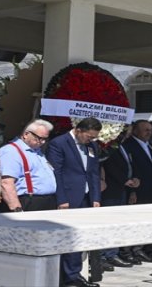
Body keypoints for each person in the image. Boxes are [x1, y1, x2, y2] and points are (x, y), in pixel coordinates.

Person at [46, 117, 103, 287]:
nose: (91, 140)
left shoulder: (91, 146)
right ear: (78, 130)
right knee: (67, 237)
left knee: (79, 237)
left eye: (94, 137)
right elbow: (56, 172)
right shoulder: (59, 143)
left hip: (86, 197)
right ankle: (66, 277)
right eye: (89, 136)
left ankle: (74, 275)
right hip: (68, 197)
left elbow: (93, 173)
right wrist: (61, 199)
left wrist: (95, 198)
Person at [99, 126, 138, 269]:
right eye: (121, 132)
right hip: (110, 190)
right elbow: (109, 166)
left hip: (122, 190)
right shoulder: (107, 147)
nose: (124, 134)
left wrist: (133, 179)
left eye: (126, 131)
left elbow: (129, 165)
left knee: (117, 224)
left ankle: (112, 253)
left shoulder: (123, 146)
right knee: (108, 224)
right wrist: (123, 180)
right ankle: (103, 255)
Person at [0, 119, 57, 213]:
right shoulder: (11, 151)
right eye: (39, 138)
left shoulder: (37, 151)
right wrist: (17, 209)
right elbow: (6, 183)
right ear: (26, 134)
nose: (42, 142)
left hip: (47, 202)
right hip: (28, 202)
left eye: (45, 139)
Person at [121, 120, 152, 262]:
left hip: (150, 190)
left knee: (147, 221)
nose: (149, 132)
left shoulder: (151, 146)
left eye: (150, 130)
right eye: (145, 130)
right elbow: (131, 169)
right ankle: (129, 250)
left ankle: (141, 249)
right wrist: (132, 191)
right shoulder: (128, 146)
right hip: (136, 191)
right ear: (136, 131)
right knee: (134, 221)